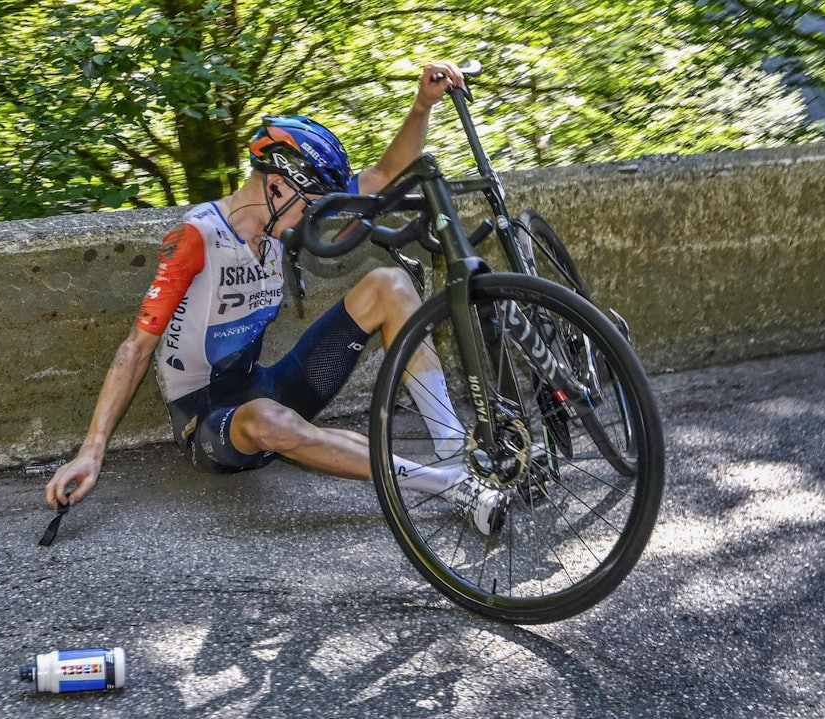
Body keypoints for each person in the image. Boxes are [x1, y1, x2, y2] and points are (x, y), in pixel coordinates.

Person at [45, 61, 508, 535]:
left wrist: (422, 105)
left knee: (389, 283)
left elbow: (386, 173)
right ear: (277, 185)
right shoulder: (196, 236)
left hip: (264, 385)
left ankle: (456, 451)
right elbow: (134, 350)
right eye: (310, 205)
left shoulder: (276, 223)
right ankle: (451, 485)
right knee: (268, 420)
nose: (314, 219)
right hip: (212, 422)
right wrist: (91, 451)